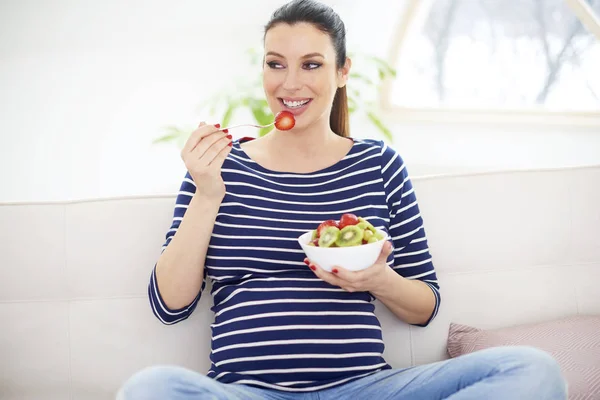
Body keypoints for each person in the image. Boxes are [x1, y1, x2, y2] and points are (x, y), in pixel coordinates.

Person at [117, 1, 567, 399]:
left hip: (365, 388)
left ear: (342, 70)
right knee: (149, 389)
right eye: (276, 64)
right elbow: (169, 305)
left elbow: (425, 306)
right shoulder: (220, 166)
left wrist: (377, 279)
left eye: (311, 64)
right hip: (248, 392)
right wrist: (208, 192)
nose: (290, 84)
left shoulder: (378, 163)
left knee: (531, 369)